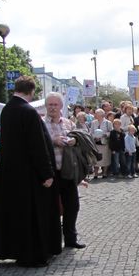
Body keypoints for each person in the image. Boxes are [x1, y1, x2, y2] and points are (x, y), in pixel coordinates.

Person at [0, 77, 62, 266]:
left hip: (10, 172)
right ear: (31, 92)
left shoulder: (6, 110)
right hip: (29, 173)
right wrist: (46, 173)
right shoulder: (28, 112)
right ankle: (33, 254)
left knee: (16, 213)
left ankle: (15, 249)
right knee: (32, 215)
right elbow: (37, 145)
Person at [43, 92, 85, 249]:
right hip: (50, 173)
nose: (53, 108)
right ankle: (52, 241)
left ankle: (70, 238)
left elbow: (79, 138)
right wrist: (53, 141)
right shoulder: (40, 123)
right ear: (46, 106)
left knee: (72, 206)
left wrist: (75, 140)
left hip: (67, 170)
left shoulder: (68, 123)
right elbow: (38, 145)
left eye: (55, 105)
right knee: (51, 207)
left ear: (61, 106)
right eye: (50, 105)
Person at [90, 108, 112, 178]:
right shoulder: (94, 122)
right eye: (95, 114)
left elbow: (111, 132)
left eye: (97, 114)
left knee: (105, 158)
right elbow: (91, 132)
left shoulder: (108, 123)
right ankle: (96, 173)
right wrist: (95, 136)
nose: (95, 115)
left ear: (101, 115)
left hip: (104, 143)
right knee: (96, 158)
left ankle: (104, 173)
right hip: (96, 143)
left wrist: (104, 134)